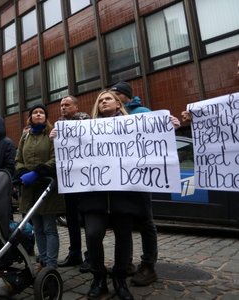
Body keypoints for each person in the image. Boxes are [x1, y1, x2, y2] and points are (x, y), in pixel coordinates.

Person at [110, 81, 180, 286]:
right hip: (119, 180)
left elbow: (157, 137)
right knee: (122, 223)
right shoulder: (112, 117)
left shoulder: (142, 112)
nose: (112, 98)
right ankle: (126, 263)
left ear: (125, 96)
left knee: (145, 222)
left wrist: (170, 126)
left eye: (115, 94)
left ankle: (148, 265)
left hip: (141, 179)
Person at [79, 90, 139, 300]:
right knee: (93, 234)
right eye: (100, 100)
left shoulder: (134, 125)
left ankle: (120, 279)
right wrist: (59, 138)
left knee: (124, 237)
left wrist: (169, 125)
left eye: (108, 99)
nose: (104, 102)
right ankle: (99, 278)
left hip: (123, 196)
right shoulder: (86, 130)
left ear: (118, 103)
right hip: (95, 197)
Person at [15, 104, 63, 271]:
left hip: (47, 188)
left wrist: (37, 173)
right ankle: (42, 260)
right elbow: (18, 158)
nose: (38, 114)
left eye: (41, 112)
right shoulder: (25, 136)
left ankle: (51, 263)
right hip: (30, 189)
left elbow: (55, 158)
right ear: (30, 117)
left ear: (45, 116)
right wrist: (22, 172)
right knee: (37, 227)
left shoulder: (51, 135)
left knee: (49, 227)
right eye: (35, 112)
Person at [50, 96, 91, 272]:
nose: (63, 108)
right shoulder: (59, 125)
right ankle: (74, 253)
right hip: (68, 179)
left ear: (75, 106)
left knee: (88, 219)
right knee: (72, 219)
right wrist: (53, 137)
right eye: (61, 105)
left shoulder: (86, 120)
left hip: (85, 178)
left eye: (67, 105)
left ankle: (91, 256)